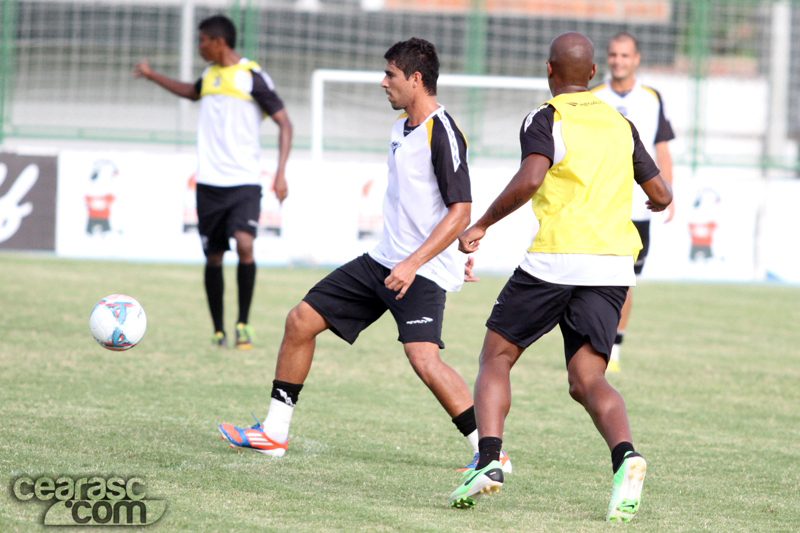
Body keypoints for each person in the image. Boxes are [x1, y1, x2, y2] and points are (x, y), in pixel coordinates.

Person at [218, 37, 511, 473]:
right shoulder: (401, 128)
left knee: (424, 360)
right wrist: (434, 252)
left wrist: (423, 261)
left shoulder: (442, 131)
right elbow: (424, 208)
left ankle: (492, 455)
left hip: (419, 270)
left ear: (415, 79)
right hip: (384, 260)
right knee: (300, 320)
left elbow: (461, 209)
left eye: (390, 74)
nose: (383, 82)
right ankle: (274, 433)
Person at [448, 32, 672, 523]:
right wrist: (657, 199)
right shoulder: (621, 123)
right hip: (612, 264)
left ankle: (487, 461)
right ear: (593, 74)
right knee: (588, 378)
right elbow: (659, 188)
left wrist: (482, 223)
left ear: (549, 71)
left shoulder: (546, 116)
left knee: (497, 355)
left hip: (557, 258)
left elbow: (531, 177)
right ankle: (626, 458)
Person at [132, 14, 293, 350]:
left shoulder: (253, 77)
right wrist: (151, 76)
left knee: (245, 244)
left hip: (245, 182)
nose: (199, 46)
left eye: (202, 40)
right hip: (208, 184)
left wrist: (280, 173)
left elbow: (285, 124)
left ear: (219, 42)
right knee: (214, 256)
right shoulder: (209, 76)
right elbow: (189, 92)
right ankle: (219, 330)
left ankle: (243, 325)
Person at [590, 32, 675, 372]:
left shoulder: (652, 98)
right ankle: (592, 343)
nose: (618, 61)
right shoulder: (594, 97)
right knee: (595, 278)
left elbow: (661, 149)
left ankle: (614, 350)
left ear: (636, 59)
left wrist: (667, 194)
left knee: (625, 280)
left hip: (639, 208)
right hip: (601, 207)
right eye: (613, 55)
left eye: (625, 56)